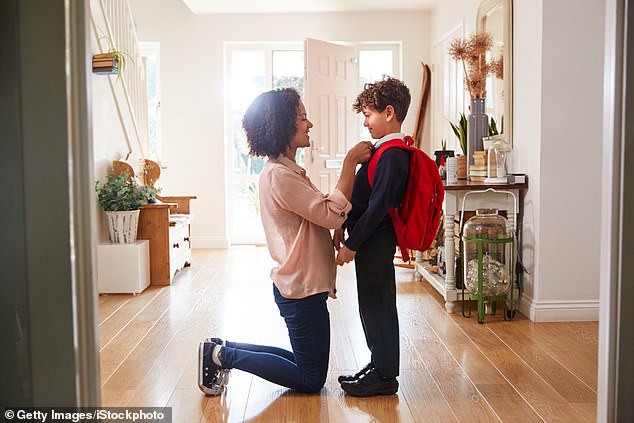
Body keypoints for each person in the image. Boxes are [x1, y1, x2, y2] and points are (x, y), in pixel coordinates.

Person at [198, 87, 372, 396]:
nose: (310, 124)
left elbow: (317, 215)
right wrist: (349, 164)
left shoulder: (286, 171)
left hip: (300, 285)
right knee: (310, 378)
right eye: (303, 118)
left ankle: (221, 348)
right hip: (301, 290)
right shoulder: (281, 175)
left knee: (305, 364)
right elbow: (330, 213)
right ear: (282, 126)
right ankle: (223, 356)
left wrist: (332, 226)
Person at [333, 76, 412, 397]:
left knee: (378, 306)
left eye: (369, 114)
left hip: (375, 243)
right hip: (370, 242)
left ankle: (385, 375)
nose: (365, 122)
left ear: (389, 112)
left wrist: (352, 244)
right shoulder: (382, 151)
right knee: (370, 305)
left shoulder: (393, 154)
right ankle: (378, 364)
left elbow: (379, 206)